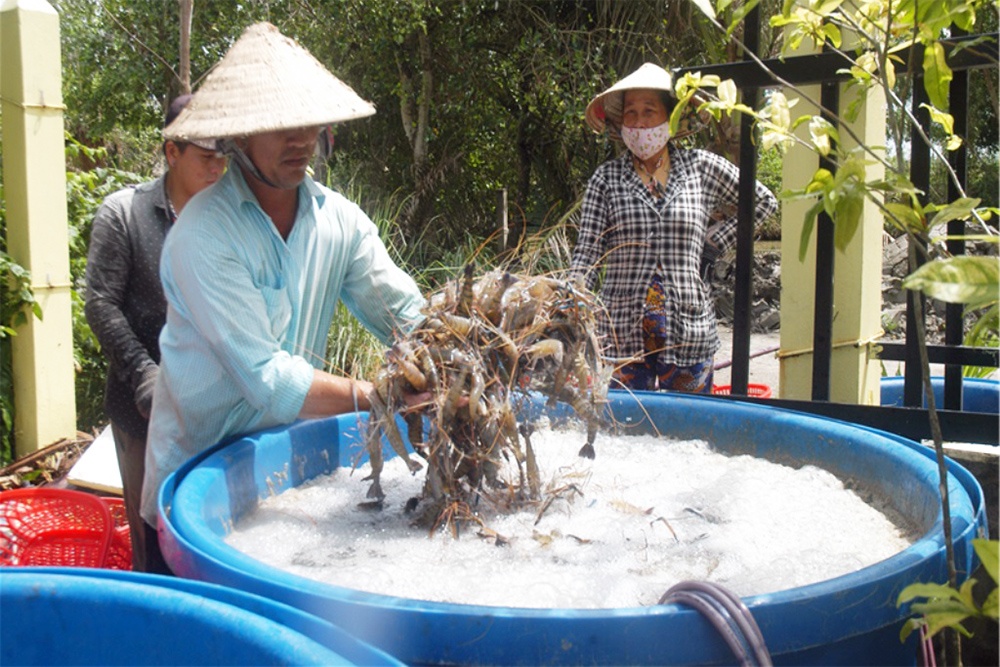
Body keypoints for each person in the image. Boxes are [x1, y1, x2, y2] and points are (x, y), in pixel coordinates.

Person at [138, 22, 427, 572]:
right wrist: (381, 393)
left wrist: (463, 354)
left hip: (284, 482)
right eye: (279, 126)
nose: (300, 139)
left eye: (308, 123)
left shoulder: (338, 221)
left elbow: (404, 312)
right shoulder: (204, 234)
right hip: (195, 489)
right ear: (238, 137)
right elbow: (267, 380)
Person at [571, 62, 777, 394]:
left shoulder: (701, 168)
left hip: (689, 330)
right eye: (631, 113)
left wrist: (715, 242)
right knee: (628, 431)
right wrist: (573, 302)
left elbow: (763, 201)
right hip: (622, 333)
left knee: (690, 431)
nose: (639, 122)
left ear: (672, 117)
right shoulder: (606, 179)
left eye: (649, 111)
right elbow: (586, 253)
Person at [84, 95, 227, 572]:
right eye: (206, 157)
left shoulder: (233, 223)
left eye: (224, 157)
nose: (217, 169)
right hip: (141, 406)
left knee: (213, 532)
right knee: (154, 536)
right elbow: (99, 303)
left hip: (215, 408)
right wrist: (146, 375)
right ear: (172, 152)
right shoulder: (123, 214)